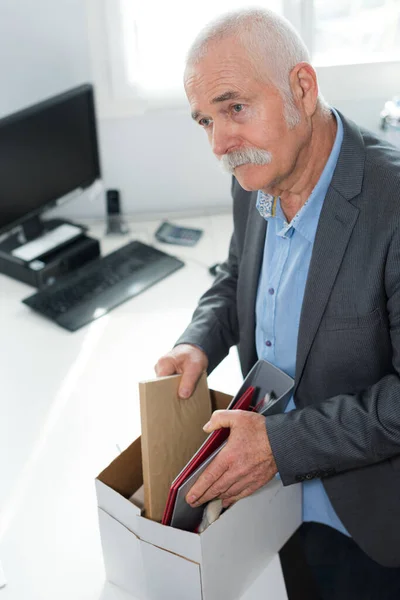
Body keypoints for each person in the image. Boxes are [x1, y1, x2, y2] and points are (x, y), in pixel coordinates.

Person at [155, 8, 400, 599]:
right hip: (267, 510)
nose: (220, 143)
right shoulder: (256, 171)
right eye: (204, 121)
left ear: (302, 87)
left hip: (367, 526)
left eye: (234, 107)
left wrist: (279, 444)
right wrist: (198, 339)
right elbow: (238, 274)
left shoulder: (392, 206)